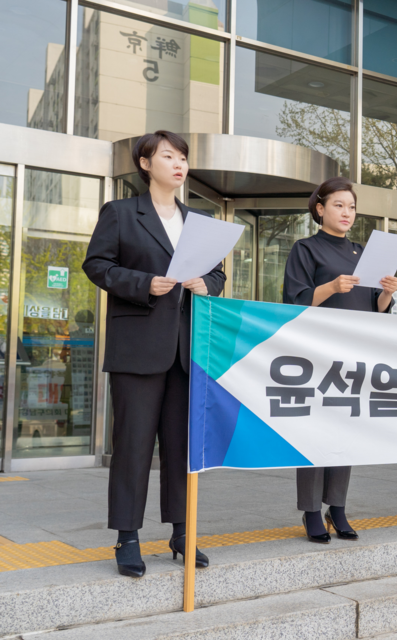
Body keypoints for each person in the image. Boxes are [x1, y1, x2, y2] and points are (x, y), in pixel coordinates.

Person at [82, 131, 226, 577]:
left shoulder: (199, 221)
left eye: (183, 157)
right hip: (138, 348)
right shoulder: (122, 213)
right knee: (134, 447)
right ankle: (127, 536)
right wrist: (143, 284)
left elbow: (216, 272)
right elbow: (97, 265)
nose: (179, 164)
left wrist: (209, 284)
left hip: (187, 351)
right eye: (169, 156)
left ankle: (183, 532)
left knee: (183, 448)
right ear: (146, 163)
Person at [282, 176, 397, 543]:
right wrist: (331, 287)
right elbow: (294, 301)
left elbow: (374, 309)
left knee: (344, 431)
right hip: (318, 353)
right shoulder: (306, 249)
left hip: (354, 351)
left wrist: (386, 293)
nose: (346, 212)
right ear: (320, 209)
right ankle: (312, 511)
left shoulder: (363, 252)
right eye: (338, 205)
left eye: (351, 206)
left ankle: (338, 506)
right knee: (315, 431)